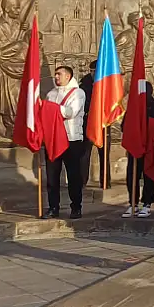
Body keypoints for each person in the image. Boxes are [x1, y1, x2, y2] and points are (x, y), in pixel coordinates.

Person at [45, 66, 87, 219]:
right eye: (55, 74)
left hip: (71, 140)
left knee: (73, 175)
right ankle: (53, 207)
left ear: (68, 76)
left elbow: (71, 112)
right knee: (51, 176)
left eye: (59, 74)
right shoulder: (51, 94)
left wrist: (49, 109)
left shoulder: (78, 93)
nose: (56, 77)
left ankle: (76, 207)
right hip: (53, 139)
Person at [122, 80, 154, 219]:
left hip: (149, 147)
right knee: (132, 175)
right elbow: (124, 126)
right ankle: (132, 203)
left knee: (149, 175)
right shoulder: (132, 107)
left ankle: (147, 203)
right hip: (135, 147)